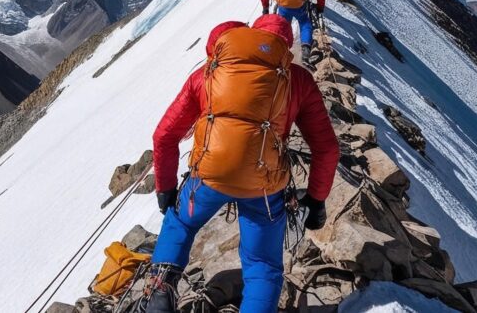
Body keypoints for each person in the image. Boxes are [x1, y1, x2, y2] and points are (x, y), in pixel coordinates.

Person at [142, 17, 339, 313]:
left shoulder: (209, 74)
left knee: (180, 221)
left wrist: (166, 189)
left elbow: (164, 135)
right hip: (264, 188)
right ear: (286, 46)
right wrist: (317, 200)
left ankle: (160, 292)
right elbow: (327, 148)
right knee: (262, 265)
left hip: (208, 179)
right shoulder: (297, 79)